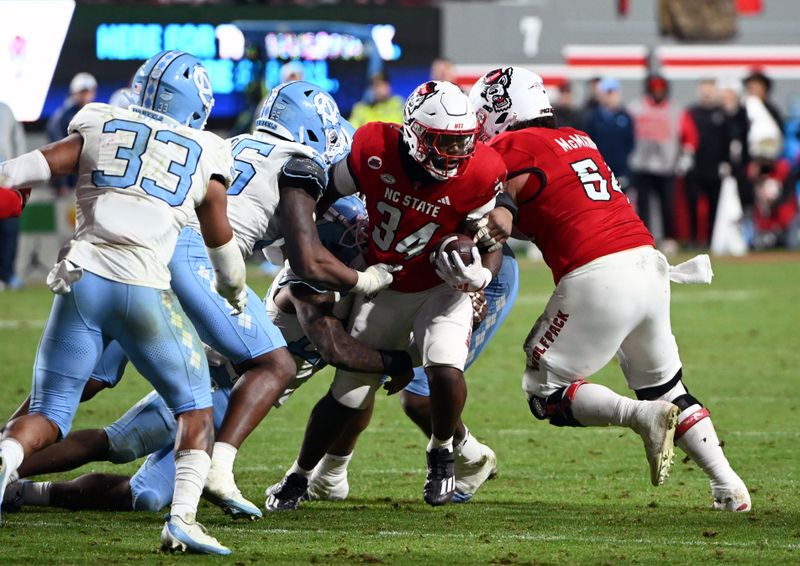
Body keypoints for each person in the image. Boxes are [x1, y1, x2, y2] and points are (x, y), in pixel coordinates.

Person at [3, 201, 413, 515]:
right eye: (355, 239)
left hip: (238, 406)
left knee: (145, 496)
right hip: (214, 384)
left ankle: (23, 492)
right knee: (119, 443)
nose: (363, 248)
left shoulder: (352, 289)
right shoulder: (308, 287)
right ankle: (11, 469)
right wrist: (397, 362)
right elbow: (334, 348)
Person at [469, 66, 750, 512]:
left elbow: (506, 203)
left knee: (544, 393)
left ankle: (640, 418)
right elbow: (547, 207)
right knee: (668, 387)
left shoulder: (510, 146)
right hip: (648, 264)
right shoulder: (579, 137)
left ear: (501, 110)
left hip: (598, 273)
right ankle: (729, 485)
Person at [0, 50, 246, 554]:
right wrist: (236, 293)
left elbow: (16, 170)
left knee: (49, 412)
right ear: (195, 104)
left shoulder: (100, 121)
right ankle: (182, 521)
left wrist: (14, 190)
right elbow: (223, 247)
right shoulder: (207, 149)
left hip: (79, 278)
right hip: (141, 284)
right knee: (196, 406)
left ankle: (5, 458)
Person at [266, 80, 509, 509]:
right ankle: (299, 476)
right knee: (349, 392)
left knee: (445, 364)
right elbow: (326, 198)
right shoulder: (373, 146)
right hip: (387, 283)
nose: (454, 155)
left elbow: (490, 242)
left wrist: (481, 280)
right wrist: (306, 247)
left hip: (440, 284)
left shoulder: (483, 171)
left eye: (461, 143)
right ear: (414, 134)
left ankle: (441, 454)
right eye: (443, 143)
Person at [266, 200, 519, 504]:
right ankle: (319, 474)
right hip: (368, 300)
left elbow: (488, 227)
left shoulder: (370, 253)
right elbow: (338, 350)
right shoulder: (312, 277)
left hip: (443, 281)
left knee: (405, 389)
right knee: (355, 385)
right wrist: (395, 361)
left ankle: (451, 456)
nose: (355, 235)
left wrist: (479, 282)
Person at [628, 73, 694, 249]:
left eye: (661, 90)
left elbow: (689, 136)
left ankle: (669, 238)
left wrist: (686, 157)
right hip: (641, 165)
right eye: (654, 89)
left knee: (668, 205)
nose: (658, 93)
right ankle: (644, 239)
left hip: (667, 166)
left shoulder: (676, 110)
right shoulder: (636, 108)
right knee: (642, 206)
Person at [683, 80, 731, 247]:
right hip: (695, 167)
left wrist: (725, 161)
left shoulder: (722, 114)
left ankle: (712, 239)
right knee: (693, 205)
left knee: (714, 207)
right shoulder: (692, 112)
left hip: (715, 168)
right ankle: (693, 239)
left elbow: (727, 140)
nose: (707, 93)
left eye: (710, 89)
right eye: (704, 90)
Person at [46, 72, 97, 195]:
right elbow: (57, 149)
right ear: (74, 92)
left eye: (88, 91)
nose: (85, 96)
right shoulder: (62, 117)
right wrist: (61, 183)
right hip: (70, 181)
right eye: (82, 92)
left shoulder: (97, 113)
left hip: (90, 178)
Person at [583, 78, 635, 191]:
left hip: (620, 170)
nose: (611, 96)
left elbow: (630, 143)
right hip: (600, 169)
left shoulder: (626, 117)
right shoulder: (593, 118)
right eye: (608, 93)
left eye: (613, 92)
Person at [0, 101, 27, 289]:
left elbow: (18, 141)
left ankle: (8, 275)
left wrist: (20, 172)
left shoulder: (5, 109)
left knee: (10, 230)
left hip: (5, 179)